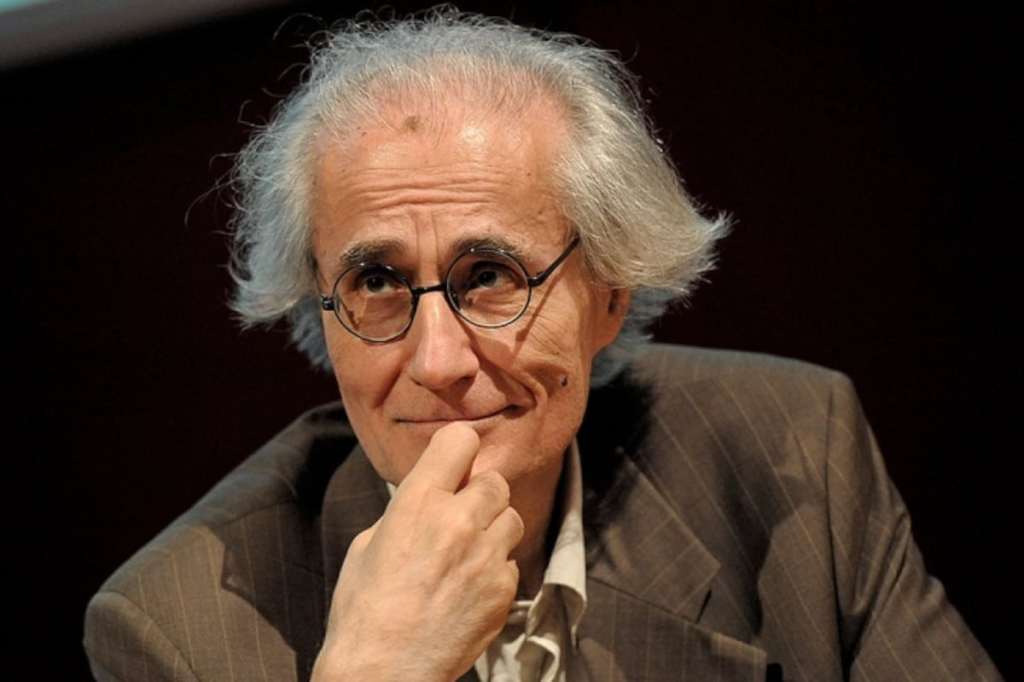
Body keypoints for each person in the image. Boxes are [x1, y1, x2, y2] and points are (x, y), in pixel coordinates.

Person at [83, 10, 1001, 682]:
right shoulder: (176, 627)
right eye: (377, 282)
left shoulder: (789, 452)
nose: (438, 361)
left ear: (609, 290)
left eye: (490, 275)